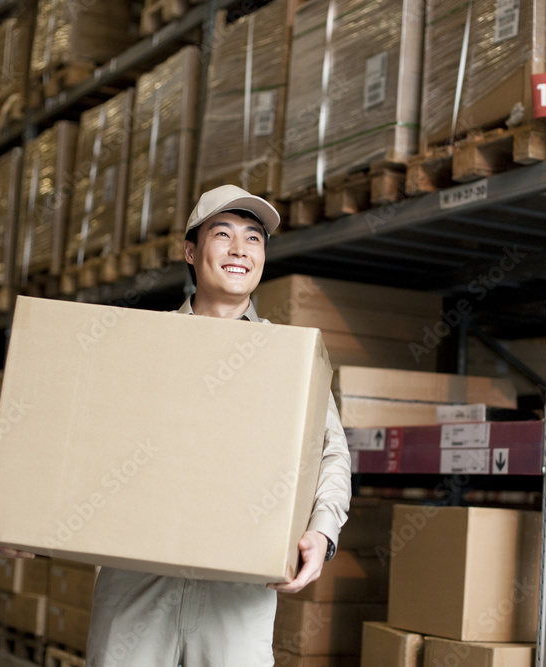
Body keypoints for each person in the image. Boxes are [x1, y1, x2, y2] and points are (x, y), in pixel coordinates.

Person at [83, 185, 352, 666]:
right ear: (190, 251)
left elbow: (330, 452)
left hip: (239, 590)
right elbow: (83, 440)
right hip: (137, 583)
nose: (238, 250)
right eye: (222, 234)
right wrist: (33, 533)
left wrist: (323, 530)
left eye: (254, 239)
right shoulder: (143, 346)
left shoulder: (289, 357)